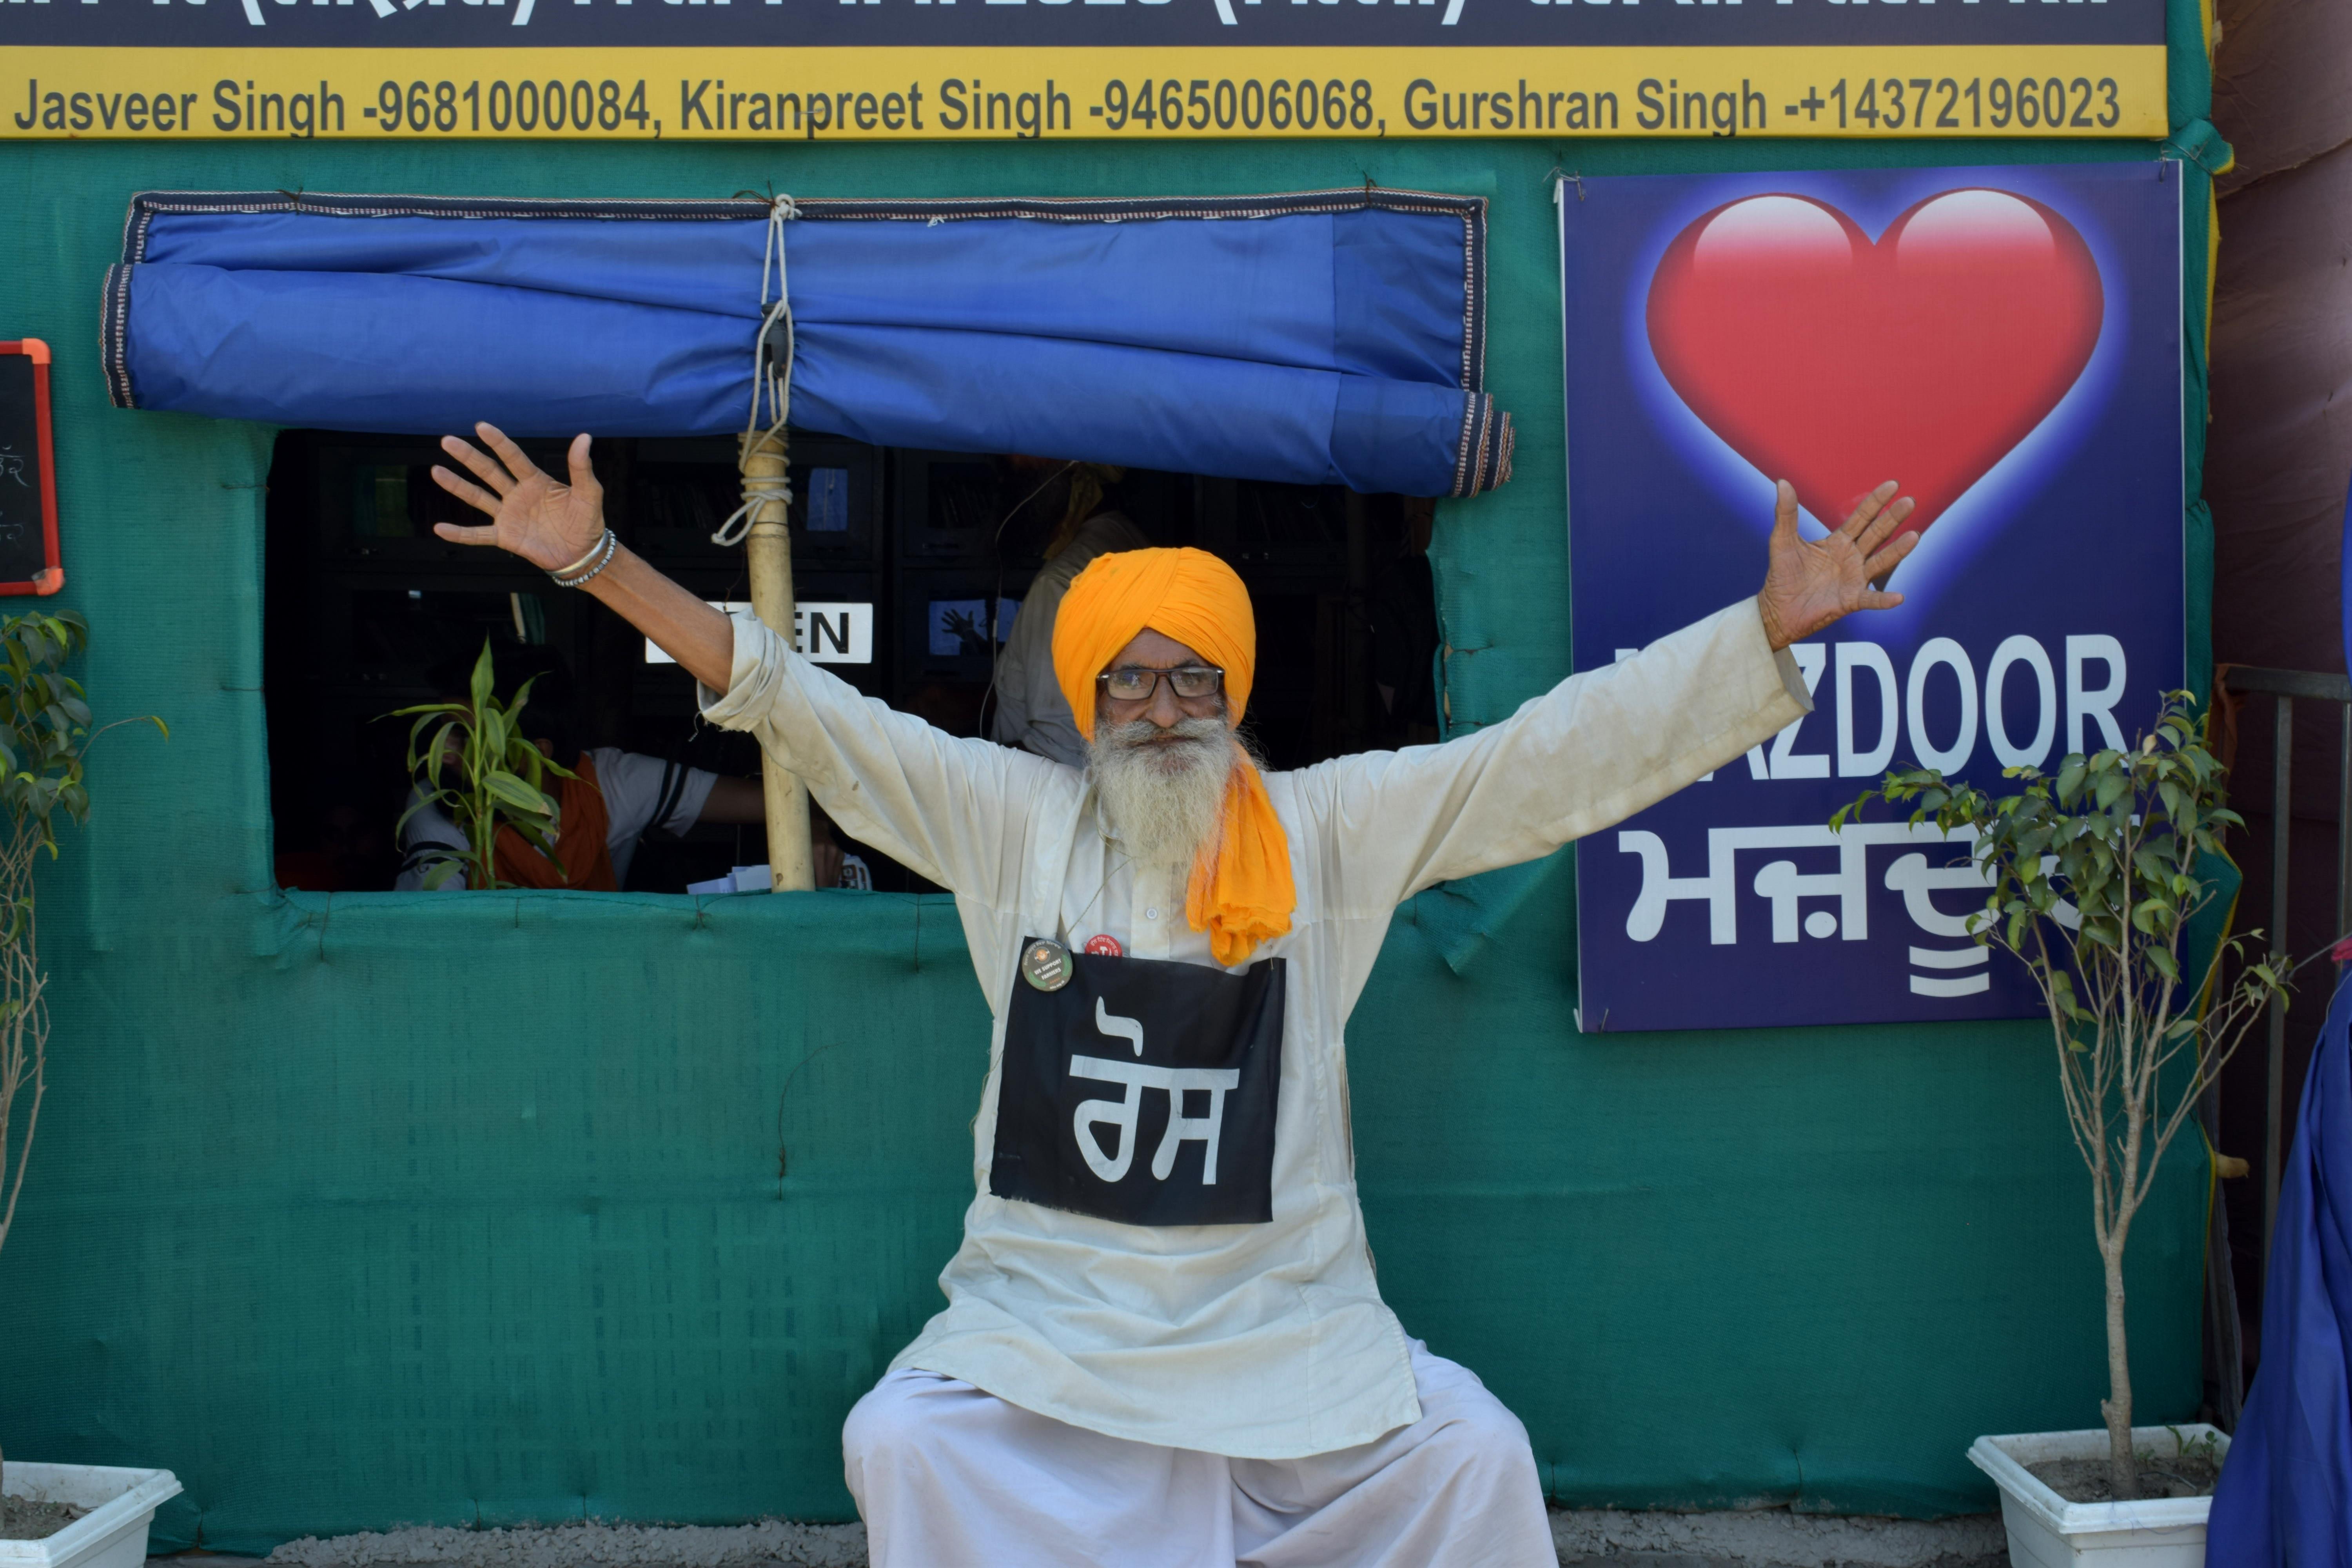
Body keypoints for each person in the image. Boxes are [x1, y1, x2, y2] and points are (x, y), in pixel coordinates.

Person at [427, 422, 1915, 1567]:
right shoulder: (1012, 821)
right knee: (903, 1440)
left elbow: (1540, 759)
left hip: (1284, 1338)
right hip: (1052, 1336)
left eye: (1190, 678)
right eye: (1126, 683)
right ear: (1082, 703)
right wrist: (597, 561)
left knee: (1474, 1456)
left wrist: (1757, 637)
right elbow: (801, 706)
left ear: (1234, 694)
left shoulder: (1325, 830)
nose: (1157, 710)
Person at [992, 460, 1149, 765]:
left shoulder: (1059, 584)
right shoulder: (1127, 536)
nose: (1005, 481)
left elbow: (1057, 751)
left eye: (1026, 469)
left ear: (1074, 476)